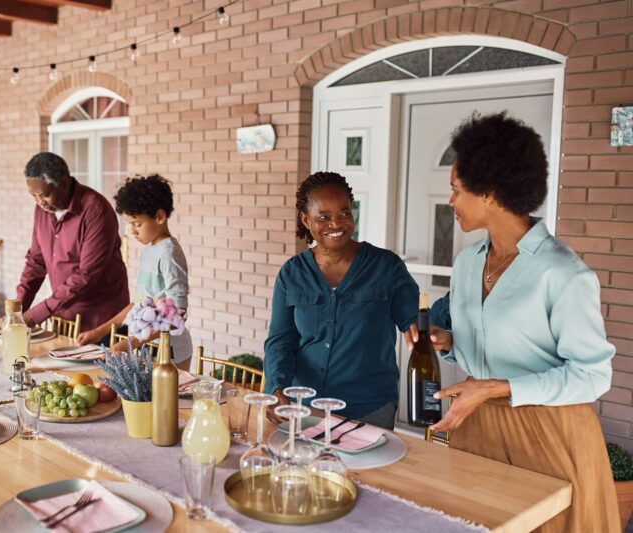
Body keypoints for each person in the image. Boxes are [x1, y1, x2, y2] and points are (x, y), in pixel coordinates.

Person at [405, 112, 618, 532]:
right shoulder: (467, 264)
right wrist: (446, 342)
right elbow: (482, 349)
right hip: (476, 428)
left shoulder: (564, 274)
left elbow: (593, 377)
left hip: (548, 435)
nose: (450, 202)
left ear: (489, 193)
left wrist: (500, 388)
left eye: (456, 190)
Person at [264, 172, 419, 429]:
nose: (336, 224)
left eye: (344, 213)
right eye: (323, 217)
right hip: (306, 405)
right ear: (306, 219)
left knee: (368, 471)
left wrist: (426, 329)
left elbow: (414, 319)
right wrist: (277, 387)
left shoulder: (385, 266)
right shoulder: (292, 273)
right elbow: (280, 340)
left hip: (368, 406)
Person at [76, 174, 193, 370]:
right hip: (147, 348)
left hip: (170, 350)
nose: (132, 231)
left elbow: (177, 315)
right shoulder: (149, 250)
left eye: (137, 224)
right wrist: (98, 332)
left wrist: (133, 342)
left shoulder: (169, 253)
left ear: (160, 217)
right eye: (129, 224)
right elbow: (136, 305)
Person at [17, 152, 129, 334]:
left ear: (63, 182)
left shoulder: (96, 210)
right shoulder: (41, 210)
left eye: (44, 195)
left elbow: (86, 275)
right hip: (63, 316)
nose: (39, 202)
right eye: (34, 196)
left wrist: (36, 314)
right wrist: (18, 310)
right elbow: (36, 262)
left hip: (102, 321)